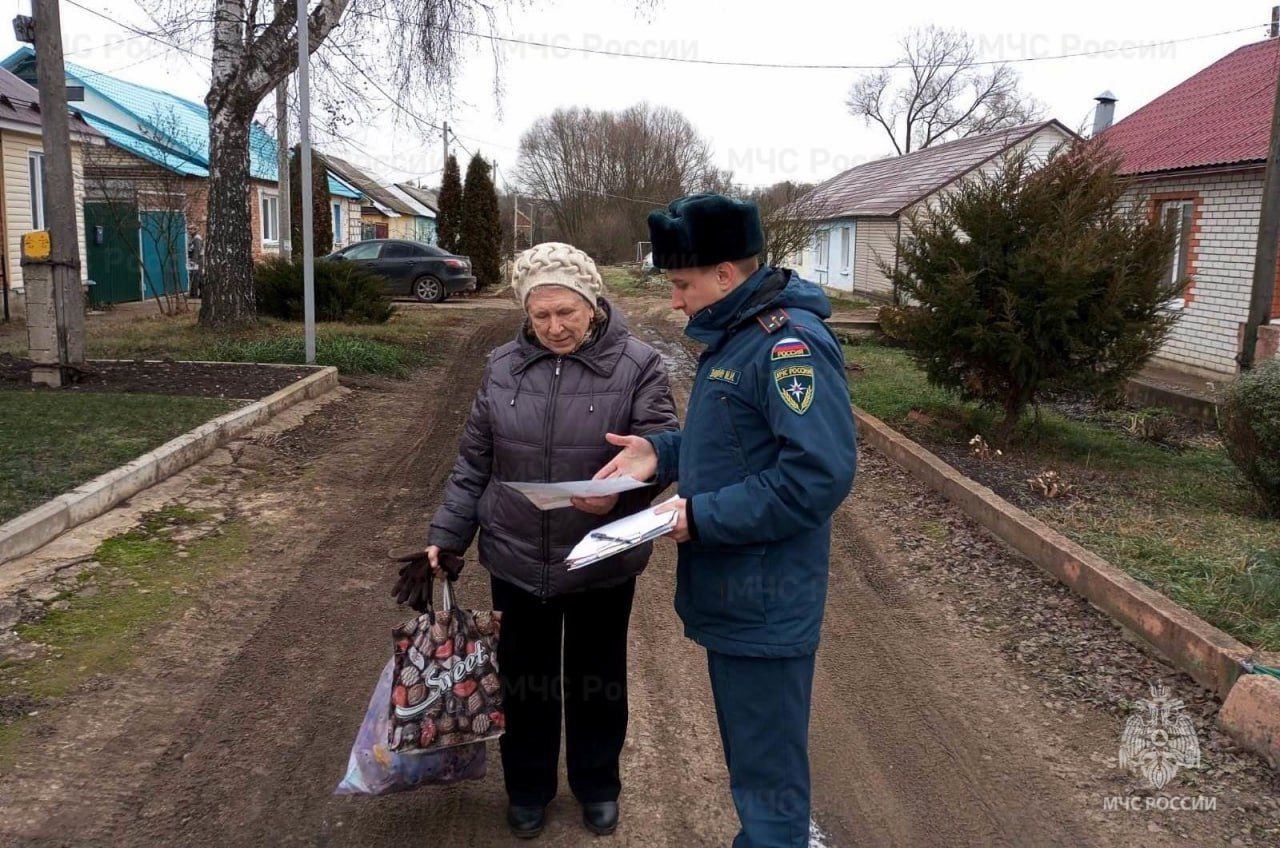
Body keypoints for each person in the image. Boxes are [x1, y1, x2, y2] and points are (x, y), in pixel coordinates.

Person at [595, 194, 857, 848]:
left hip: (765, 598)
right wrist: (662, 453)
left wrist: (701, 516)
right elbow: (739, 443)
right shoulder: (740, 335)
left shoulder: (787, 345)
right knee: (756, 766)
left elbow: (816, 476)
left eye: (682, 285)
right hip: (741, 595)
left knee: (767, 777)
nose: (674, 300)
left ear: (724, 274)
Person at [397, 242, 678, 839]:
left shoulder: (639, 365)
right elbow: (474, 461)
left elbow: (661, 452)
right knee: (525, 681)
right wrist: (447, 537)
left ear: (592, 304)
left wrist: (621, 495)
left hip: (600, 555)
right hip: (517, 556)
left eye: (566, 312)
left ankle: (597, 785)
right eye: (540, 314)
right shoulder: (502, 366)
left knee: (598, 679)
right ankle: (528, 788)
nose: (553, 327)